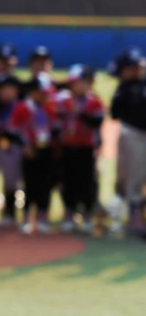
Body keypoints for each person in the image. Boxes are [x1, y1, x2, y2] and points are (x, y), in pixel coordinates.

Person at [56, 65, 104, 234]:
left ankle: (88, 214)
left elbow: (97, 123)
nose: (79, 86)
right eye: (76, 83)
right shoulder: (63, 101)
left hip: (86, 148)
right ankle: (69, 213)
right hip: (68, 148)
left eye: (83, 82)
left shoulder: (94, 102)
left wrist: (81, 113)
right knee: (68, 181)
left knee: (87, 182)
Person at [10, 73, 59, 234]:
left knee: (45, 184)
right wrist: (25, 146)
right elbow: (14, 130)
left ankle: (43, 216)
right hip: (29, 151)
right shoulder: (23, 107)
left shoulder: (50, 107)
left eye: (46, 93)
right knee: (29, 184)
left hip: (46, 150)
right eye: (41, 92)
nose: (45, 96)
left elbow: (56, 128)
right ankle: (26, 217)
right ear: (32, 92)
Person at [110, 48, 146, 237]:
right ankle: (135, 219)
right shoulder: (125, 88)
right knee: (133, 177)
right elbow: (115, 113)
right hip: (134, 134)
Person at [0, 74, 25, 228]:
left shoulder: (21, 107)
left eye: (10, 89)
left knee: (11, 181)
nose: (7, 92)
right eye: (3, 89)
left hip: (13, 147)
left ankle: (11, 213)